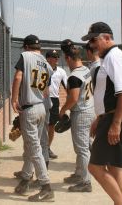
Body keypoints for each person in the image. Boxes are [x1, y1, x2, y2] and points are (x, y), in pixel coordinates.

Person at [82, 22, 122, 205]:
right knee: (115, 167)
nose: (91, 44)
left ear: (106, 37)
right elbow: (106, 94)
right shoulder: (109, 58)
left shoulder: (115, 57)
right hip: (112, 116)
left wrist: (115, 123)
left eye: (94, 40)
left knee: (95, 166)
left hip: (118, 117)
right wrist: (100, 117)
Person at [11, 34, 54, 202]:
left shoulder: (26, 55)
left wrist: (14, 99)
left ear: (27, 46)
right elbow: (46, 91)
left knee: (34, 148)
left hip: (30, 109)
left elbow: (18, 77)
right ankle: (26, 179)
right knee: (32, 145)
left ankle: (46, 186)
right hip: (41, 107)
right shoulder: (47, 63)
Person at [59, 40, 95, 192]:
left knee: (82, 149)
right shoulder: (86, 69)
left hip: (81, 113)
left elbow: (73, 98)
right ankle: (79, 174)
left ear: (68, 58)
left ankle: (86, 182)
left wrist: (63, 110)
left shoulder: (73, 76)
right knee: (84, 146)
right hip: (89, 110)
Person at [45, 50, 68, 159]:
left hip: (54, 100)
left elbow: (67, 87)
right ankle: (38, 148)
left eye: (57, 57)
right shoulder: (42, 69)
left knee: (51, 126)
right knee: (41, 125)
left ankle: (47, 148)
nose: (57, 59)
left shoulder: (61, 72)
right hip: (42, 99)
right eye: (54, 57)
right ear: (48, 58)